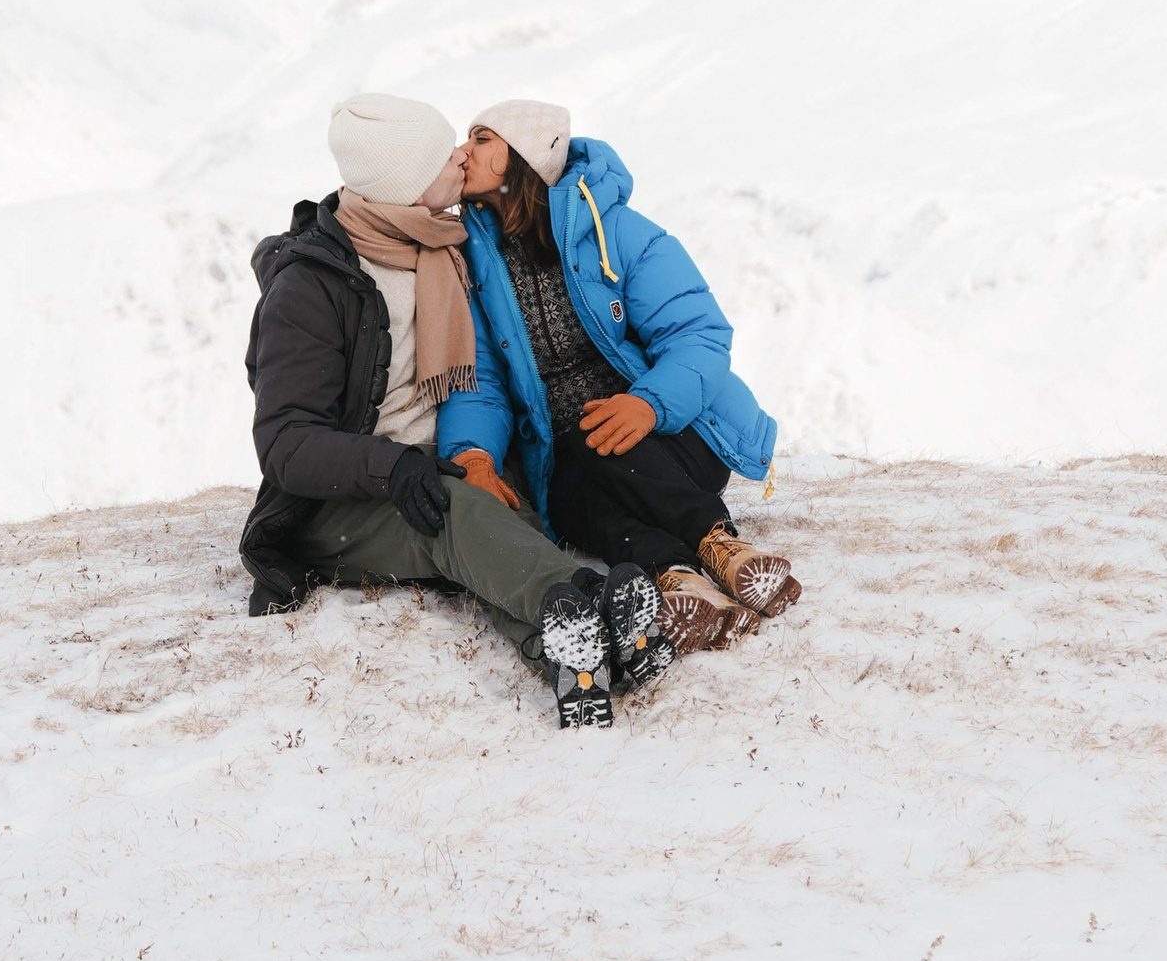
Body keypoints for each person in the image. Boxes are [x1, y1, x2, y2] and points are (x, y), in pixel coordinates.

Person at [238, 91, 675, 715]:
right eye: (444, 154)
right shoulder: (310, 286)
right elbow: (284, 444)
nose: (460, 159)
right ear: (407, 182)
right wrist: (394, 468)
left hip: (438, 467)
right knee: (457, 515)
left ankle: (580, 663)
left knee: (496, 520)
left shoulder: (448, 246)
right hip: (341, 502)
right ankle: (591, 598)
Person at [440, 101, 802, 658]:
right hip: (576, 461)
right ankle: (683, 580)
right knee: (565, 493)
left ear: (525, 158)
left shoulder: (623, 233)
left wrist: (648, 405)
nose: (464, 151)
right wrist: (474, 455)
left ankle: (719, 543)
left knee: (598, 441)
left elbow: (698, 336)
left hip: (675, 438)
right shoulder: (479, 262)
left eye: (482, 138)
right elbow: (481, 376)